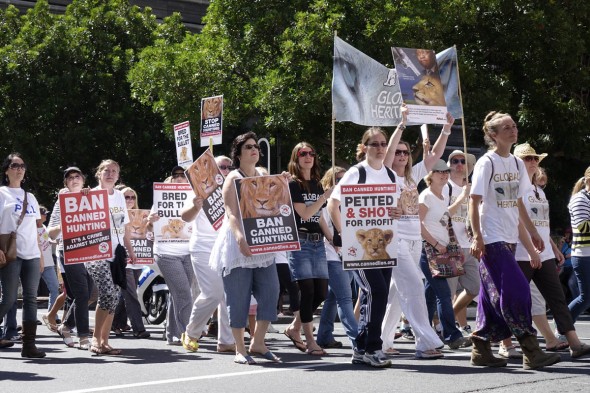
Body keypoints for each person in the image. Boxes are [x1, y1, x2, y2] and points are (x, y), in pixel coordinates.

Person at [468, 112, 560, 369]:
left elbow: (518, 204)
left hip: (510, 237)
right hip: (491, 238)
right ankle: (531, 349)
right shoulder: (487, 162)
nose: (513, 130)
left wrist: (531, 232)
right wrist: (477, 236)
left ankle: (480, 348)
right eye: (506, 127)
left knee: (489, 296)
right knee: (517, 290)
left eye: (514, 126)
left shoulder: (518, 165)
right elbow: (474, 202)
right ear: (493, 135)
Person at [328, 126, 404, 368]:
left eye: (383, 143)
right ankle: (373, 347)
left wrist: (397, 211)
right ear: (364, 148)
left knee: (377, 295)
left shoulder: (391, 175)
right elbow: (333, 204)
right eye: (375, 144)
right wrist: (343, 235)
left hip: (384, 249)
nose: (380, 148)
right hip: (360, 250)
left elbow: (396, 208)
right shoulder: (356, 172)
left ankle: (361, 347)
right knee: (377, 292)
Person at [379, 110, 452, 357]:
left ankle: (383, 341)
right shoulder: (387, 175)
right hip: (395, 240)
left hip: (414, 241)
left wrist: (446, 129)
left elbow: (436, 156)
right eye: (397, 152)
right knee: (415, 286)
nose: (400, 155)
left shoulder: (413, 176)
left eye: (405, 152)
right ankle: (425, 341)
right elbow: (387, 154)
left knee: (398, 295)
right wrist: (401, 124)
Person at [209, 132, 281, 365]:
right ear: (238, 153)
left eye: (256, 147)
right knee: (238, 298)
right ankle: (240, 347)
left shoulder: (263, 174)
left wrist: (284, 183)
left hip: (263, 242)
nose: (254, 150)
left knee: (271, 292)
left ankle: (258, 342)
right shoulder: (233, 177)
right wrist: (240, 238)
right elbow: (231, 213)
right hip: (238, 242)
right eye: (248, 147)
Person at [180, 155, 235, 353]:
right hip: (203, 247)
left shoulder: (232, 187)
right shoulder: (197, 189)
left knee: (229, 294)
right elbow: (185, 217)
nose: (225, 170)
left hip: (226, 246)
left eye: (229, 167)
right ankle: (192, 332)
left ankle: (226, 340)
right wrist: (196, 206)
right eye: (221, 166)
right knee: (213, 293)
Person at [283, 142, 331, 356]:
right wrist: (324, 198)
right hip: (300, 242)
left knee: (321, 292)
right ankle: (310, 341)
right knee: (308, 291)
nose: (308, 156)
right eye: (303, 153)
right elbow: (304, 214)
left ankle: (294, 328)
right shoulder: (294, 184)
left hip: (318, 241)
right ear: (296, 157)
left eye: (312, 153)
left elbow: (319, 217)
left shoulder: (318, 184)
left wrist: (332, 239)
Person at [418, 159, 472, 350]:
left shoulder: (442, 196)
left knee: (430, 295)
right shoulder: (426, 196)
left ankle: (422, 331)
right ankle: (451, 335)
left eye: (445, 171)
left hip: (439, 250)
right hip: (429, 251)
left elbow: (445, 216)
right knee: (443, 294)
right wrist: (435, 243)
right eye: (439, 171)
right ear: (430, 176)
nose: (444, 174)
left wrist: (462, 197)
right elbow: (417, 223)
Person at [85, 159, 136, 355]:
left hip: (116, 251)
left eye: (115, 171)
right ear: (99, 173)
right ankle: (95, 340)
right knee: (107, 293)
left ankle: (105, 342)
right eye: (107, 170)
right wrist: (83, 197)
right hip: (95, 251)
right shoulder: (90, 194)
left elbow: (124, 227)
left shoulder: (120, 197)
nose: (110, 173)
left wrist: (130, 251)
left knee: (113, 297)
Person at [0, 153, 46, 358]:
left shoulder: (31, 197)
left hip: (32, 254)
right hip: (10, 254)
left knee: (31, 299)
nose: (19, 168)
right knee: (9, 298)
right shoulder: (1, 194)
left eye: (22, 165)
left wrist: (41, 256)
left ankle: (28, 346)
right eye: (14, 165)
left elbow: (35, 229)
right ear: (6, 170)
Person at [48, 167, 94, 350]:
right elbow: (50, 233)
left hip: (90, 250)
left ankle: (66, 326)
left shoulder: (92, 197)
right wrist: (65, 222)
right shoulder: (61, 202)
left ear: (83, 180)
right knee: (82, 293)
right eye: (70, 178)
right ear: (66, 183)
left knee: (88, 292)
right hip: (69, 250)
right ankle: (83, 336)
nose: (74, 180)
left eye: (77, 177)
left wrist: (90, 197)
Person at [148, 167, 195, 345]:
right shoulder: (160, 200)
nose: (179, 178)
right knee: (184, 292)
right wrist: (150, 223)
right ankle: (188, 333)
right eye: (175, 175)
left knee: (178, 294)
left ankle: (172, 334)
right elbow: (149, 230)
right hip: (166, 254)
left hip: (188, 253)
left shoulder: (193, 198)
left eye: (183, 175)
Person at [316, 166, 358, 350]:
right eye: (338, 179)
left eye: (345, 178)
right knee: (345, 298)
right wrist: (334, 239)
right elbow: (321, 223)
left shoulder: (351, 203)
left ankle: (324, 335)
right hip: (332, 255)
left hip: (348, 255)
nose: (342, 182)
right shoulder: (325, 203)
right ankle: (357, 339)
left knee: (334, 297)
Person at [444, 150, 480, 336]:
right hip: (450, 247)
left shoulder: (473, 189)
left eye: (463, 161)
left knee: (475, 288)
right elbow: (442, 215)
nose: (459, 164)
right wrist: (460, 198)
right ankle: (444, 324)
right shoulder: (444, 187)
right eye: (454, 160)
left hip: (469, 245)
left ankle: (445, 319)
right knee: (448, 293)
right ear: (449, 165)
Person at [111, 186, 150, 339]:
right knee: (132, 294)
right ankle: (138, 328)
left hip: (139, 260)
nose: (130, 200)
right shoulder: (116, 213)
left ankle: (116, 322)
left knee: (124, 294)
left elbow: (149, 236)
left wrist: (150, 224)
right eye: (126, 197)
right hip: (123, 259)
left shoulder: (142, 215)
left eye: (133, 197)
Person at [567, 166, 590, 322]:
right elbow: (583, 227)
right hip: (583, 255)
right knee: (585, 297)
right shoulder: (580, 199)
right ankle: (563, 325)